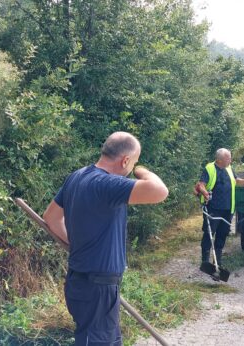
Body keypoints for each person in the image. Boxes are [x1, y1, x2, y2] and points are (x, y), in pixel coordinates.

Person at [43, 132, 169, 346]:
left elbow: (51, 217)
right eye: (133, 162)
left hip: (84, 282)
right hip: (97, 288)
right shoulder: (107, 184)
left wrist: (78, 245)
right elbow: (160, 191)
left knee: (107, 340)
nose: (132, 168)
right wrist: (142, 170)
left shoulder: (77, 177)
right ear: (125, 160)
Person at [194, 148, 244, 269]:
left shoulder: (229, 168)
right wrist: (205, 193)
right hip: (213, 208)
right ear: (219, 160)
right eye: (228, 158)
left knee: (222, 234)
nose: (230, 160)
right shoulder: (210, 168)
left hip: (228, 209)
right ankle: (205, 261)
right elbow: (201, 184)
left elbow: (236, 181)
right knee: (209, 234)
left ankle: (218, 261)